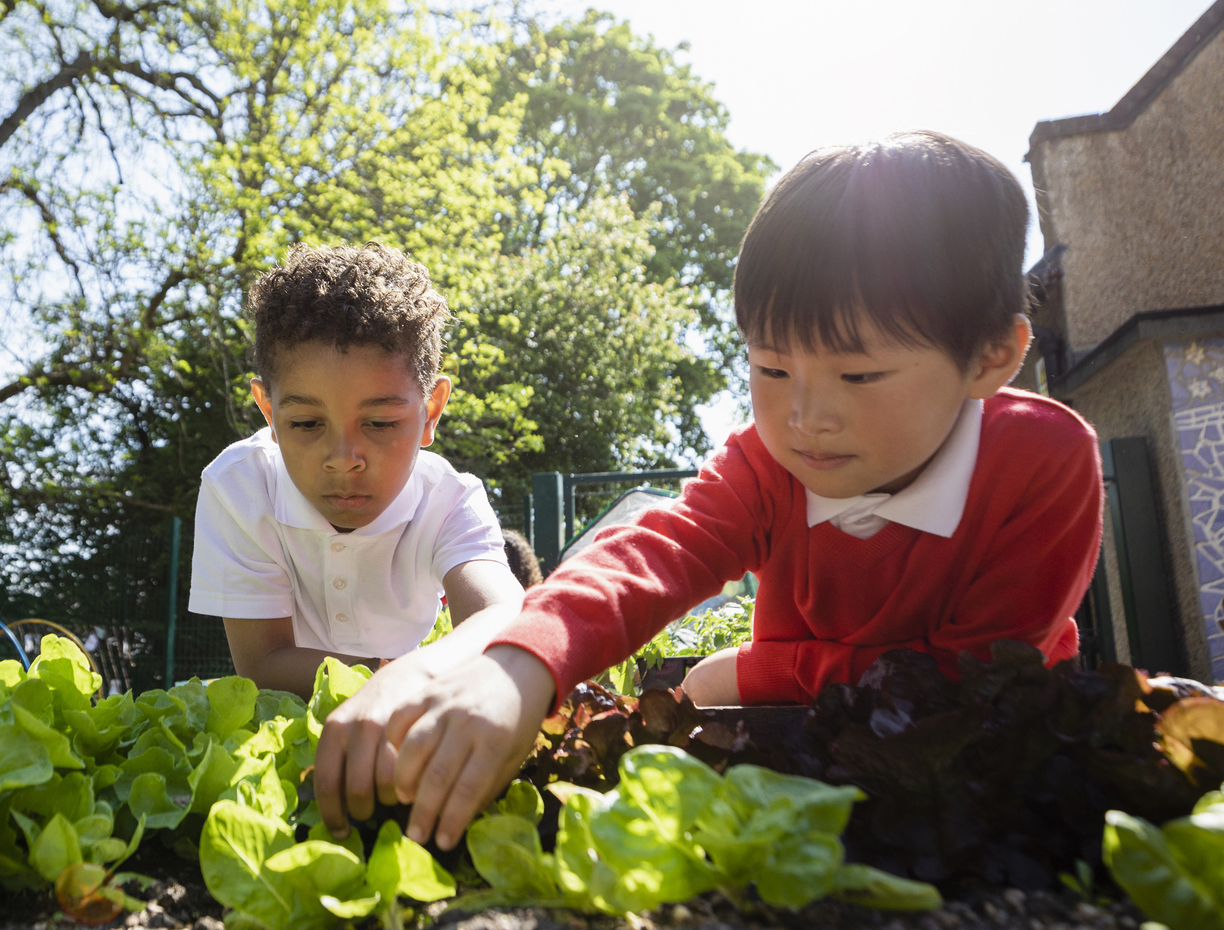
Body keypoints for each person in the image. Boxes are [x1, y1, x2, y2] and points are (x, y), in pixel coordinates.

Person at [316, 132, 1104, 850]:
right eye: (771, 369)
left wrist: (759, 673)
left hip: (989, 773)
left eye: (858, 374)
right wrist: (517, 668)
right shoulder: (769, 463)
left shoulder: (1045, 462)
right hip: (808, 752)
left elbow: (970, 684)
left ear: (991, 357)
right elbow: (653, 554)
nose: (804, 417)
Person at [188, 243, 525, 737]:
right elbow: (264, 665)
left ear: (430, 412)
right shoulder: (238, 487)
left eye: (381, 422)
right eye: (305, 422)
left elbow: (502, 612)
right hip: (283, 728)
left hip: (402, 717)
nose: (343, 458)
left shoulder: (450, 499)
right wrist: (394, 673)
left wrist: (412, 677)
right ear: (268, 411)